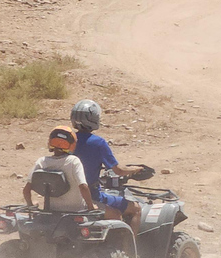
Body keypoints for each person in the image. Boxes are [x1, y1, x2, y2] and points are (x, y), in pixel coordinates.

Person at [69, 99, 143, 236]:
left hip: (69, 195)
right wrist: (135, 169)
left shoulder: (67, 141)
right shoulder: (98, 143)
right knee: (136, 209)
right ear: (94, 119)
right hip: (93, 196)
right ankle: (128, 246)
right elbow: (118, 170)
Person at [23, 126, 95, 212]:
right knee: (106, 212)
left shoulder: (42, 162)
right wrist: (91, 207)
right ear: (72, 144)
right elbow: (83, 187)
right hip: (76, 212)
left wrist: (30, 205)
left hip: (51, 212)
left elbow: (26, 190)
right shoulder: (73, 161)